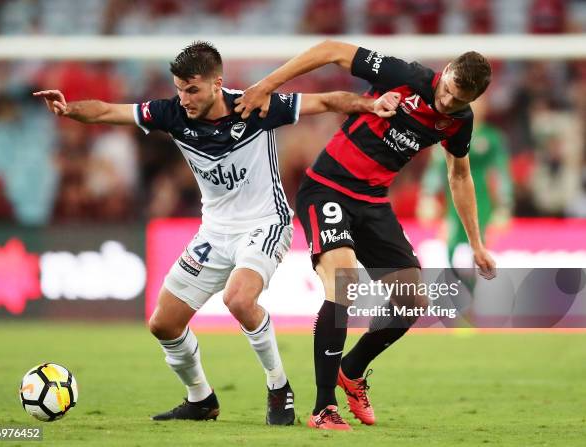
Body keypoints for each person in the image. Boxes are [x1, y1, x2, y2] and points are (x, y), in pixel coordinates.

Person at [34, 41, 395, 426]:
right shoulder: (171, 113)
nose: (184, 98)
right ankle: (200, 399)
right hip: (214, 232)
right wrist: (68, 109)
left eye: (192, 89)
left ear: (216, 83)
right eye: (179, 89)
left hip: (265, 222)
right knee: (163, 324)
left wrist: (370, 104)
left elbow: (325, 102)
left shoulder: (254, 105)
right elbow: (107, 111)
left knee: (238, 299)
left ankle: (278, 386)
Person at [236, 40, 497, 430]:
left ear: (472, 98)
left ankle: (353, 368)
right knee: (343, 284)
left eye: (457, 99)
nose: (446, 102)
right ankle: (324, 406)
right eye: (445, 90)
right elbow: (329, 50)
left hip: (372, 202)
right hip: (328, 187)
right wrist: (268, 84)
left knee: (412, 300)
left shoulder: (460, 121)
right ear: (445, 72)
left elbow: (459, 175)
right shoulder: (405, 76)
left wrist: (476, 243)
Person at [418, 95, 513, 268]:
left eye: (479, 101)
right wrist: (428, 196)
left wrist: (504, 205)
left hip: (482, 197)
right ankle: (452, 287)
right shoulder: (447, 132)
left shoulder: (492, 138)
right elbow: (436, 167)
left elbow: (501, 172)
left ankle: (475, 289)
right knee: (451, 241)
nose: (475, 105)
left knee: (480, 243)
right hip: (454, 195)